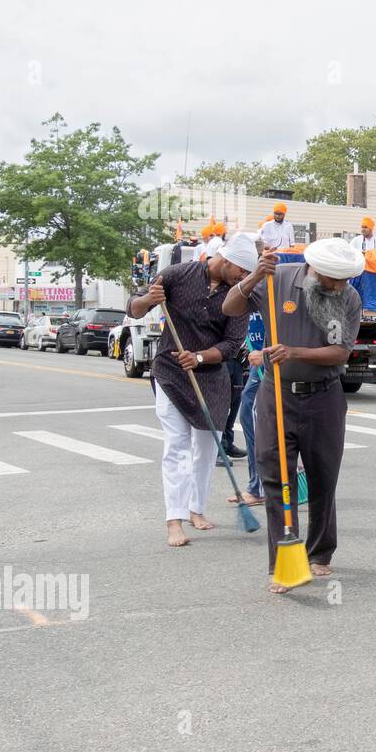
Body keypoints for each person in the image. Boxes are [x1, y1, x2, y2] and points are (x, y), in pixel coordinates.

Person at [222, 237, 366, 593]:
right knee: (276, 479)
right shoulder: (278, 278)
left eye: (346, 279)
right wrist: (254, 276)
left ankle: (319, 553)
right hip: (277, 395)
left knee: (323, 477)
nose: (341, 286)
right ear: (314, 271)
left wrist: (294, 351)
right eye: (335, 279)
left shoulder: (347, 299)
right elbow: (230, 307)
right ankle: (282, 562)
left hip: (324, 397)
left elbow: (339, 353)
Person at [128, 234, 257, 548]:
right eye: (242, 271)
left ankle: (195, 508)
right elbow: (134, 307)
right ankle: (175, 519)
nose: (244, 278)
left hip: (211, 376)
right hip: (171, 372)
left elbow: (230, 345)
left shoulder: (238, 296)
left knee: (207, 447)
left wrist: (199, 357)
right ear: (227, 260)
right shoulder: (177, 275)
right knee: (177, 445)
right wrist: (149, 299)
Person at [227, 306, 266, 508]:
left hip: (267, 359)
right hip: (257, 358)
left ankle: (258, 488)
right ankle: (258, 485)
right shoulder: (248, 292)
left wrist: (265, 353)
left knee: (250, 412)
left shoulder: (270, 287)